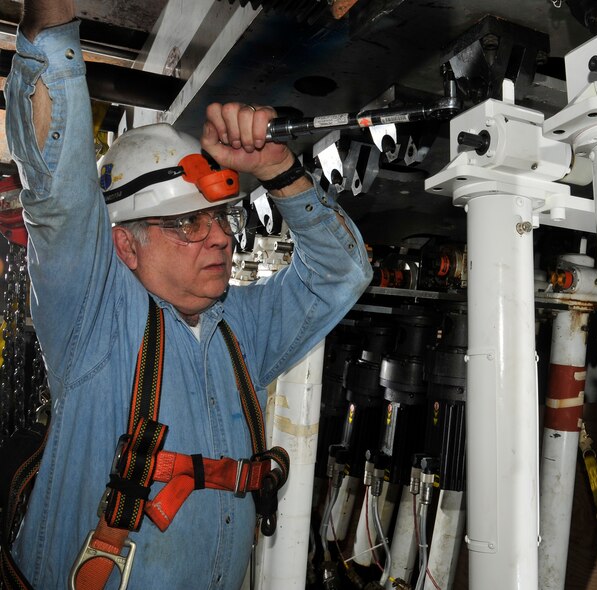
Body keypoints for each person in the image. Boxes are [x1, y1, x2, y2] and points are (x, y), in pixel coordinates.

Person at [3, 0, 372, 587]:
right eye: (186, 224)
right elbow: (57, 188)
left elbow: (342, 273)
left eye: (220, 217)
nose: (220, 237)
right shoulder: (96, 320)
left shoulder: (238, 330)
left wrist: (280, 171)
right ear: (127, 247)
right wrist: (51, 20)